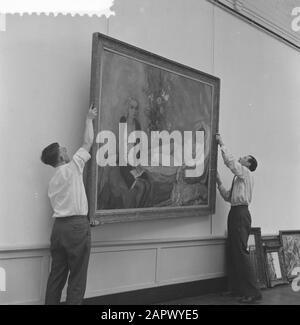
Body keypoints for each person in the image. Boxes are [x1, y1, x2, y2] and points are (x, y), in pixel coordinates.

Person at [40, 105, 97, 305]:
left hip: (59, 229)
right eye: (63, 148)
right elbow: (88, 141)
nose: (66, 149)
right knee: (77, 278)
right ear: (61, 156)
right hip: (76, 228)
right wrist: (89, 118)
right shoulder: (73, 168)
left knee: (56, 276)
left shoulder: (52, 181)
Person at [216, 134, 262, 304]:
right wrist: (220, 183)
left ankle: (253, 292)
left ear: (248, 163)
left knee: (241, 252)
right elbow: (229, 197)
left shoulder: (246, 173)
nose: (241, 158)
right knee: (233, 250)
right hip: (235, 212)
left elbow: (230, 162)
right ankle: (236, 289)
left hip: (241, 214)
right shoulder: (239, 177)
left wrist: (222, 144)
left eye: (244, 157)